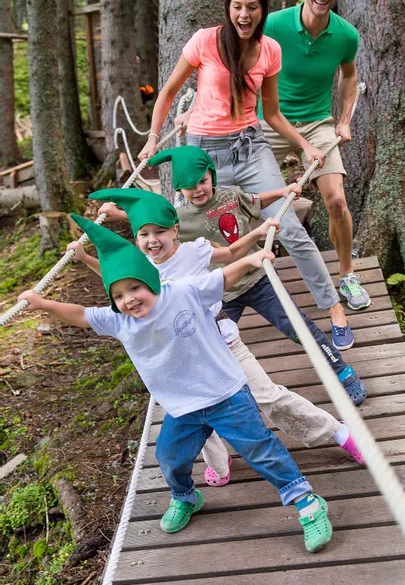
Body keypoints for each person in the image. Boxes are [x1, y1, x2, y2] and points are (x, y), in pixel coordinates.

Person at [19, 215, 333, 553]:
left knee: (259, 449)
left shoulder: (182, 292)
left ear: (151, 281)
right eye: (119, 295)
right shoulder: (119, 321)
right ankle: (185, 497)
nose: (130, 299)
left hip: (226, 394)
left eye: (135, 288)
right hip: (183, 407)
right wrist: (42, 304)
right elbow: (81, 314)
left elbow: (222, 277)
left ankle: (306, 501)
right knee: (169, 456)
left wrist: (250, 260)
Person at [73, 187, 365, 486]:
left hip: (223, 343)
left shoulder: (193, 251)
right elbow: (115, 278)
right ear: (135, 238)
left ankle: (337, 432)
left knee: (267, 396)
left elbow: (230, 254)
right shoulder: (139, 267)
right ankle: (219, 462)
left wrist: (257, 235)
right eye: (143, 234)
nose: (152, 240)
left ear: (174, 230)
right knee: (195, 412)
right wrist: (84, 257)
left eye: (159, 232)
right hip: (184, 357)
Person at [137, 0, 355, 352]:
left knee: (289, 227)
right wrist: (153, 139)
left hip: (251, 147)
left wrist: (305, 145)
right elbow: (169, 91)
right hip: (204, 156)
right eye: (237, 6)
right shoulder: (205, 41)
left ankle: (333, 307)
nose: (244, 14)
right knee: (194, 237)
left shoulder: (270, 49)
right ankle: (193, 324)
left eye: (252, 7)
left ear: (262, 11)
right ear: (228, 8)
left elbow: (272, 112)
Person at [101, 145, 367, 405]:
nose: (198, 189)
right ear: (179, 189)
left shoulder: (231, 195)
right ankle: (218, 398)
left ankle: (341, 371)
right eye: (189, 186)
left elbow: (257, 201)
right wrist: (118, 215)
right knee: (211, 344)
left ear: (212, 176)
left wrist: (282, 192)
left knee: (299, 327)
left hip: (257, 279)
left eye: (202, 181)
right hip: (221, 293)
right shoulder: (179, 218)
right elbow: (153, 225)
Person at [258, 0, 370, 315]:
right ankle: (247, 278)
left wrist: (344, 120)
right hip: (270, 121)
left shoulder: (346, 34)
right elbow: (243, 62)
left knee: (336, 201)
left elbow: (349, 75)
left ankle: (348, 275)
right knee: (248, 200)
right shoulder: (273, 24)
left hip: (318, 123)